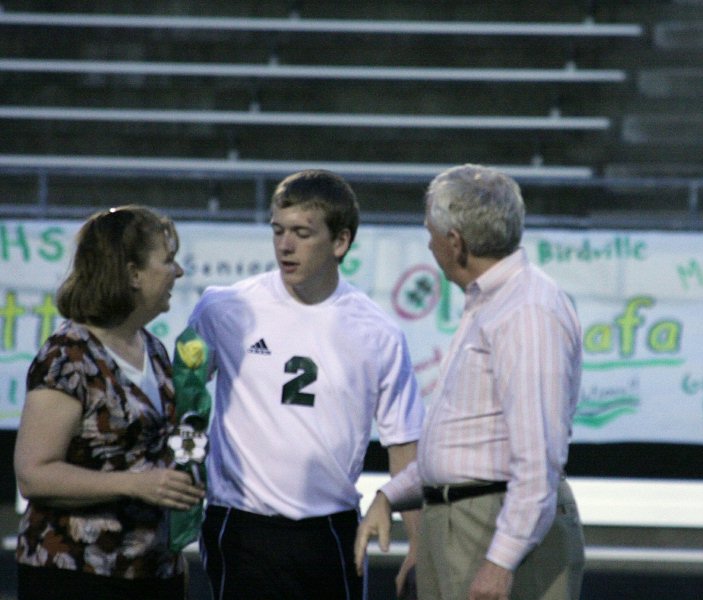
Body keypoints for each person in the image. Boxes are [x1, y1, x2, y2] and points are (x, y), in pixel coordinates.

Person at [187, 169, 423, 600]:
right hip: (239, 525)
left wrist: (419, 548)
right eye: (278, 230)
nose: (285, 245)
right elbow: (180, 403)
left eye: (301, 232)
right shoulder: (224, 308)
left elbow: (403, 445)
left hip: (328, 529)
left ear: (340, 242)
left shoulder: (378, 332)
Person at [355, 164, 586, 600]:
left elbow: (537, 463)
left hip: (494, 530)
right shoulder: (492, 303)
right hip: (463, 524)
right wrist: (391, 494)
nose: (428, 242)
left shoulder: (527, 312)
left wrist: (500, 562)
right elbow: (466, 445)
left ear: (455, 242)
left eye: (431, 232)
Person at [14, 205, 205, 600]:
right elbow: (33, 474)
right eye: (168, 261)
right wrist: (135, 485)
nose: (179, 272)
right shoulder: (68, 355)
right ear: (133, 274)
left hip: (152, 573)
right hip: (77, 574)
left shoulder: (152, 348)